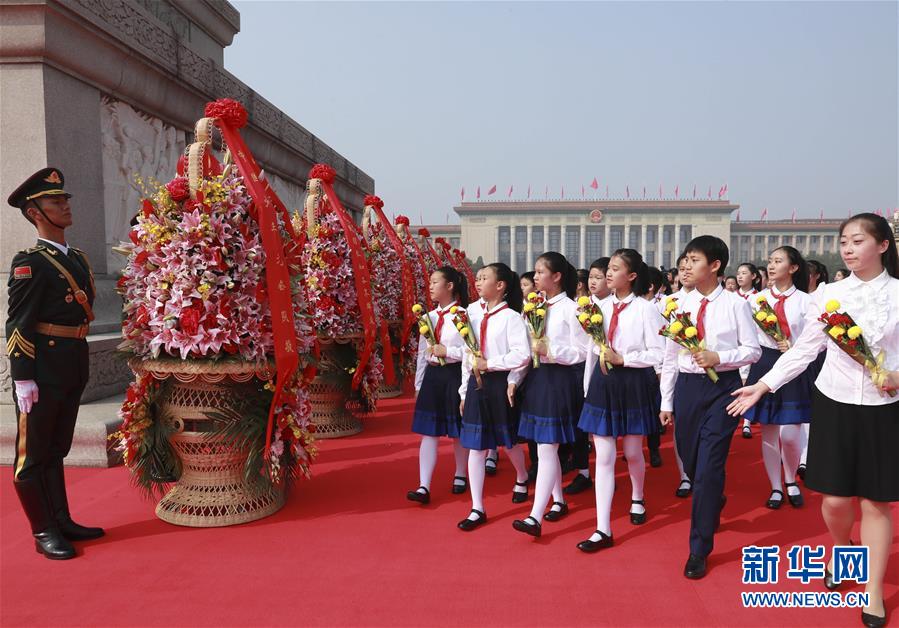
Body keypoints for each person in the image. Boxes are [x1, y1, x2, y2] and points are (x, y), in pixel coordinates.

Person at [729, 213, 899, 627]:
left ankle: (873, 591)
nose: (848, 249)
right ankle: (843, 550)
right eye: (844, 242)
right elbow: (804, 350)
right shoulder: (827, 296)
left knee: (876, 500)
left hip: (886, 405)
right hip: (835, 400)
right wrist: (763, 385)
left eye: (857, 241)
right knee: (837, 498)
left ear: (882, 245)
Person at [6, 168, 104, 560]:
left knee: (56, 449)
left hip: (70, 363)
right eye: (54, 201)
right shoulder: (29, 262)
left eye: (64, 199)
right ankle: (43, 530)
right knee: (32, 456)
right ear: (35, 213)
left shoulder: (75, 258)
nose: (65, 205)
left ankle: (61, 519)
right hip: (42, 367)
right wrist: (22, 378)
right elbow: (18, 323)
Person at [659, 235, 761, 580]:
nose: (685, 265)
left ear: (715, 266)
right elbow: (670, 357)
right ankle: (712, 498)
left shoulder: (735, 304)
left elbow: (753, 350)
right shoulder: (674, 304)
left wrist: (720, 357)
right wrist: (666, 401)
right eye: (684, 259)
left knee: (708, 467)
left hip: (723, 390)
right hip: (688, 389)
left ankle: (699, 548)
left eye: (694, 259)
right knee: (689, 461)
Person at [576, 249, 665, 552]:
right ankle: (602, 528)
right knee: (603, 456)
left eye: (615, 269)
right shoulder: (597, 307)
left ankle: (637, 496)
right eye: (608, 268)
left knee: (632, 451)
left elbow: (657, 353)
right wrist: (588, 388)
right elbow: (591, 352)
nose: (608, 274)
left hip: (633, 383)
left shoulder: (645, 309)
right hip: (603, 385)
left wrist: (624, 358)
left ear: (633, 275)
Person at [512, 252, 590, 538]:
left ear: (556, 276)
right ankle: (558, 500)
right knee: (546, 447)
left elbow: (584, 351)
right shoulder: (532, 307)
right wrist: (514, 378)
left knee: (547, 447)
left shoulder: (572, 309)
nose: (534, 277)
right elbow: (524, 349)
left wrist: (552, 352)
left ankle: (535, 516)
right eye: (534, 272)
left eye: (540, 272)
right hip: (537, 379)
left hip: (560, 381)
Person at [457, 263, 531, 530]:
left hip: (499, 384)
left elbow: (522, 355)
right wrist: (464, 392)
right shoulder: (472, 316)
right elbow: (468, 356)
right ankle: (477, 507)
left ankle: (522, 476)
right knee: (475, 446)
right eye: (477, 278)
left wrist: (494, 366)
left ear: (500, 285)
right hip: (477, 386)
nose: (478, 283)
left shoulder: (512, 317)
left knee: (508, 442)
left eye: (484, 278)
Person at [744, 246, 815, 510]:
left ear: (793, 267)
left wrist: (794, 345)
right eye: (770, 261)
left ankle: (791, 478)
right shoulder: (755, 301)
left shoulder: (807, 301)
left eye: (778, 261)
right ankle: (776, 485)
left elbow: (818, 341)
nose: (771, 266)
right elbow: (749, 338)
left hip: (795, 365)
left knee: (791, 433)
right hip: (766, 362)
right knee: (770, 431)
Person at [407, 266, 470, 504]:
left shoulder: (464, 315)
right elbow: (422, 352)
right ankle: (424, 485)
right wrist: (418, 383)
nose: (431, 286)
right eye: (430, 282)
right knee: (429, 433)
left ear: (450, 286)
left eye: (435, 282)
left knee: (457, 430)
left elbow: (471, 350)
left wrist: (449, 352)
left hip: (455, 374)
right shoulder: (428, 317)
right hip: (433, 377)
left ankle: (461, 474)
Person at [735, 262, 763, 439]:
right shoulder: (730, 297)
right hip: (733, 345)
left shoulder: (759, 298)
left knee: (749, 380)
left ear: (753, 276)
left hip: (752, 345)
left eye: (744, 273)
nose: (739, 276)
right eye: (738, 273)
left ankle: (746, 421)